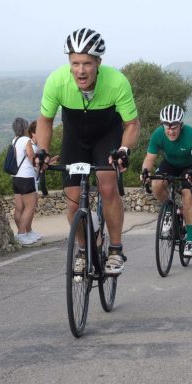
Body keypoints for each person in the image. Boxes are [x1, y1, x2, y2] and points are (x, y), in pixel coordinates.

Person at [35, 27, 140, 275]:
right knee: (72, 203)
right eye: (75, 63)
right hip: (75, 139)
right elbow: (45, 121)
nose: (80, 70)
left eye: (87, 63)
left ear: (98, 63)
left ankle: (115, 248)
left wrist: (124, 149)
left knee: (107, 186)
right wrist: (41, 150)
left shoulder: (117, 82)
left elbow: (132, 124)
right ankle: (84, 248)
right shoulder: (56, 81)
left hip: (106, 136)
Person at [141, 104, 192, 257]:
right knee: (156, 184)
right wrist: (145, 172)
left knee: (187, 195)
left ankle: (189, 240)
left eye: (174, 127)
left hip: (188, 167)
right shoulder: (158, 135)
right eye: (167, 127)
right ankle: (170, 212)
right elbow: (149, 159)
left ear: (180, 125)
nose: (170, 131)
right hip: (169, 164)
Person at [11, 117, 40, 246]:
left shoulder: (14, 140)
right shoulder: (26, 140)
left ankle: (25, 233)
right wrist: (38, 161)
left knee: (19, 208)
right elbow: (30, 156)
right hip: (26, 177)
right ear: (25, 128)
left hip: (16, 177)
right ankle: (22, 234)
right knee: (30, 206)